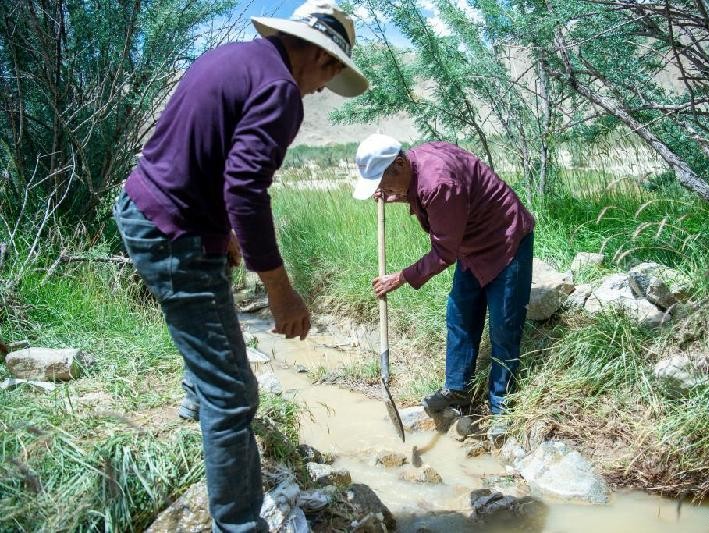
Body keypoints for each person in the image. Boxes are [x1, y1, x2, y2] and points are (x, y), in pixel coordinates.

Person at [113, 2, 368, 530]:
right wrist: (280, 289)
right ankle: (238, 525)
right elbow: (246, 188)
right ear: (321, 56)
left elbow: (203, 155)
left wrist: (224, 233)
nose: (321, 89)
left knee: (209, 322)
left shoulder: (230, 58)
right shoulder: (279, 90)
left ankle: (193, 410)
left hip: (146, 208)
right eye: (329, 76)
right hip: (173, 233)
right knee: (233, 396)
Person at [352, 134, 534, 441]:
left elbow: (443, 253)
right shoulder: (415, 165)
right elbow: (430, 199)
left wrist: (400, 277)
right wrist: (395, 195)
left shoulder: (439, 182)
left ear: (399, 164)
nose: (382, 190)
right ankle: (457, 390)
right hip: (470, 246)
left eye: (382, 182)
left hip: (504, 241)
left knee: (504, 327)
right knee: (459, 316)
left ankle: (501, 408)